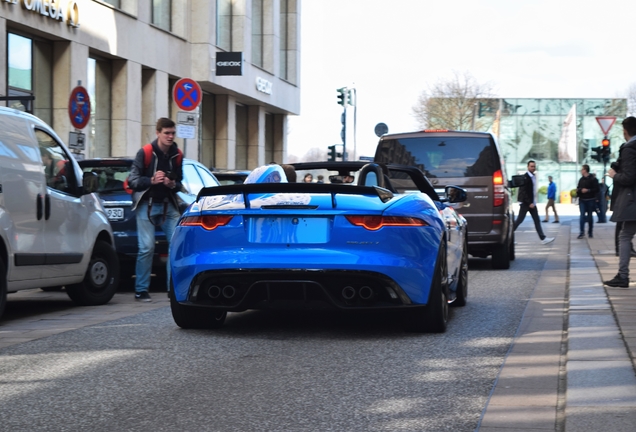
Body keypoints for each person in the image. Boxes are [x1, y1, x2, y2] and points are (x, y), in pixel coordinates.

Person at [127, 117, 183, 302]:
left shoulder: (177, 154)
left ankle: (172, 290)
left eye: (173, 133)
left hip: (168, 204)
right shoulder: (146, 152)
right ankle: (141, 290)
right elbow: (132, 181)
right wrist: (151, 180)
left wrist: (172, 183)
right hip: (147, 203)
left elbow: (179, 183)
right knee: (147, 248)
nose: (170, 136)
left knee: (176, 245)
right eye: (166, 133)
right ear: (158, 133)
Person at [604, 116, 636, 288]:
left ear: (625, 132)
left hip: (633, 201)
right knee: (626, 235)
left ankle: (623, 276)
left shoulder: (630, 148)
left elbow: (630, 177)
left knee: (624, 236)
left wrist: (615, 176)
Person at [513, 160, 555, 245]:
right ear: (528, 167)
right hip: (526, 204)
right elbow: (523, 192)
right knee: (519, 221)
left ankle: (543, 238)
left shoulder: (533, 176)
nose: (533, 168)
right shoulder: (525, 177)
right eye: (531, 166)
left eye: (534, 166)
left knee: (537, 221)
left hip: (532, 203)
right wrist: (529, 203)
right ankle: (508, 238)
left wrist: (532, 202)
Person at [575, 164, 599, 239]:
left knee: (589, 216)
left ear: (585, 170)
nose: (581, 171)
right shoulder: (581, 179)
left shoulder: (593, 179)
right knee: (582, 216)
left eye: (582, 169)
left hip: (590, 200)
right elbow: (578, 188)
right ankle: (581, 232)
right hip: (582, 200)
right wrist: (579, 190)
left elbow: (596, 189)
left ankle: (590, 232)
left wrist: (588, 190)